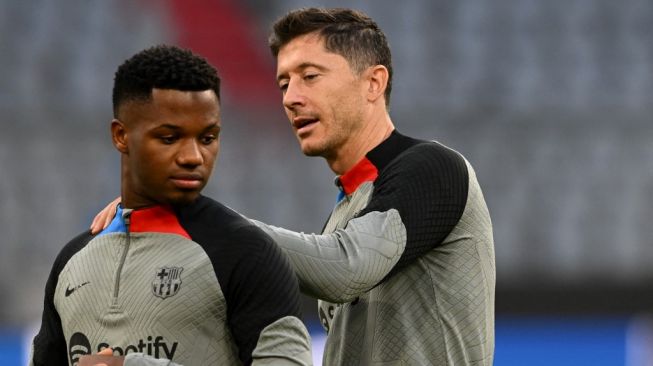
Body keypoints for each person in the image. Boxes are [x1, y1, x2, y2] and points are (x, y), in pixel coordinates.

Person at [93, 7, 496, 366]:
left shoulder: (434, 168)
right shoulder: (345, 214)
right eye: (284, 83)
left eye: (310, 76)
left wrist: (190, 214)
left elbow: (346, 267)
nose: (290, 98)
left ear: (373, 83)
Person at [32, 45, 312, 366]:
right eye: (169, 138)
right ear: (121, 136)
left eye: (207, 138)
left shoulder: (247, 253)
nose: (193, 157)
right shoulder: (71, 260)